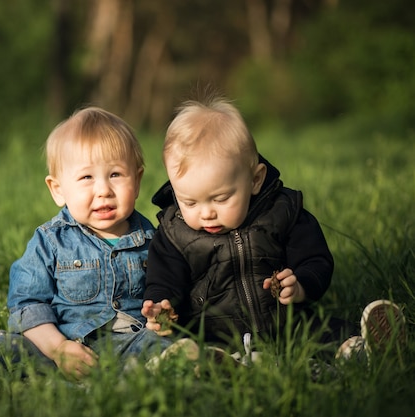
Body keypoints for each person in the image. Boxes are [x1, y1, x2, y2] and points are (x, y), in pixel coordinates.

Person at [0, 106, 193, 387]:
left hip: (128, 343)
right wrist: (59, 348)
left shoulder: (156, 240)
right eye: (86, 177)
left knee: (158, 347)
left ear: (137, 181)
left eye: (115, 174)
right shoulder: (51, 241)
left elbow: (170, 289)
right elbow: (28, 305)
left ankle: (178, 368)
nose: (103, 190)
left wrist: (163, 312)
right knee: (3, 345)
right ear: (58, 189)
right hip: (56, 343)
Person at [140, 94, 405, 361]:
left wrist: (300, 284)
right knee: (198, 347)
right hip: (213, 330)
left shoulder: (281, 213)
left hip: (286, 324)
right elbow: (164, 279)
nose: (207, 212)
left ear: (255, 180)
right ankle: (212, 362)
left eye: (221, 198)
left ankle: (361, 346)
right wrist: (163, 304)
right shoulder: (175, 234)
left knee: (322, 332)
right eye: (189, 202)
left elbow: (316, 259)